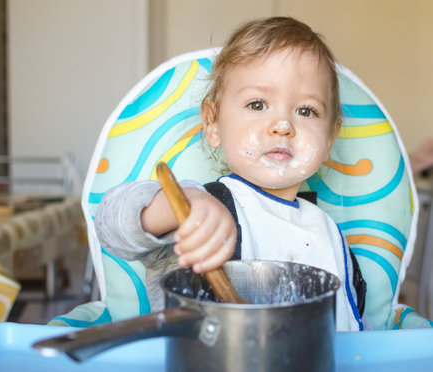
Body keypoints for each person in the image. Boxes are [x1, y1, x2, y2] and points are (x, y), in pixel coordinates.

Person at [95, 17, 366, 331]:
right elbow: (110, 223)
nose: (282, 125)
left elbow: (356, 331)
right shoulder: (205, 209)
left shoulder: (327, 234)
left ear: (330, 138)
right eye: (257, 104)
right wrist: (180, 207)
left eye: (306, 111)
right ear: (212, 123)